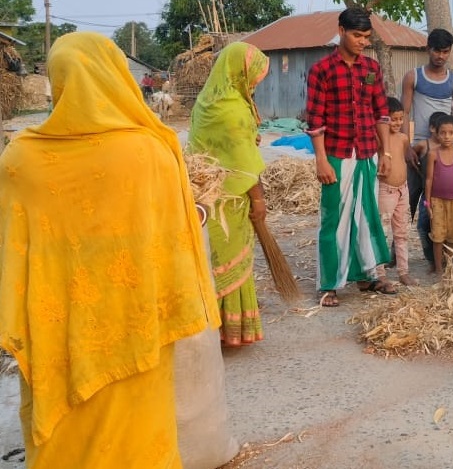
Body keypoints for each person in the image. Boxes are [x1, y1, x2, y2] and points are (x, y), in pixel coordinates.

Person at [0, 32, 219, 467]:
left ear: (58, 81)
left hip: (58, 334)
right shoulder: (151, 151)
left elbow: (14, 248)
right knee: (138, 436)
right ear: (117, 75)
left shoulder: (20, 159)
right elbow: (174, 233)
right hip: (137, 321)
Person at [305, 7, 393, 307]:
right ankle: (329, 284)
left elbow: (381, 112)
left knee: (367, 214)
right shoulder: (322, 70)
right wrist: (321, 160)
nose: (362, 42)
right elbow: (315, 119)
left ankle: (368, 275)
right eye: (357, 36)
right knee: (334, 217)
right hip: (336, 153)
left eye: (366, 37)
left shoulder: (372, 68)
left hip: (367, 151)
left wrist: (385, 152)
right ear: (341, 31)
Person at [188, 41, 270, 347]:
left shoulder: (206, 102)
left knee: (212, 259)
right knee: (232, 260)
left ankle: (209, 329)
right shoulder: (234, 111)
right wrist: (258, 199)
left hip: (204, 194)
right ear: (239, 74)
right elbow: (244, 163)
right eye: (253, 79)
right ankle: (230, 331)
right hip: (230, 199)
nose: (255, 86)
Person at [403, 29, 453, 264]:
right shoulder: (414, 77)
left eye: (445, 52)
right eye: (436, 51)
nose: (440, 56)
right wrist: (406, 147)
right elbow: (404, 112)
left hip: (444, 152)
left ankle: (436, 257)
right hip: (419, 149)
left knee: (437, 204)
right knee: (407, 202)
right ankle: (395, 253)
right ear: (428, 49)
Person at [376, 97, 418, 287]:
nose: (398, 123)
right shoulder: (379, 139)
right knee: (382, 233)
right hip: (385, 190)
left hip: (403, 190)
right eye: (393, 119)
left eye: (400, 119)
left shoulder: (403, 139)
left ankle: (403, 272)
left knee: (402, 233)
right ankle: (380, 273)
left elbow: (404, 158)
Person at [424, 115, 453, 274]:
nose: (447, 136)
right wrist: (427, 203)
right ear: (437, 134)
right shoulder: (433, 154)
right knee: (438, 236)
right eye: (443, 133)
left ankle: (448, 266)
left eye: (451, 133)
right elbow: (429, 179)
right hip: (437, 201)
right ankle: (438, 268)